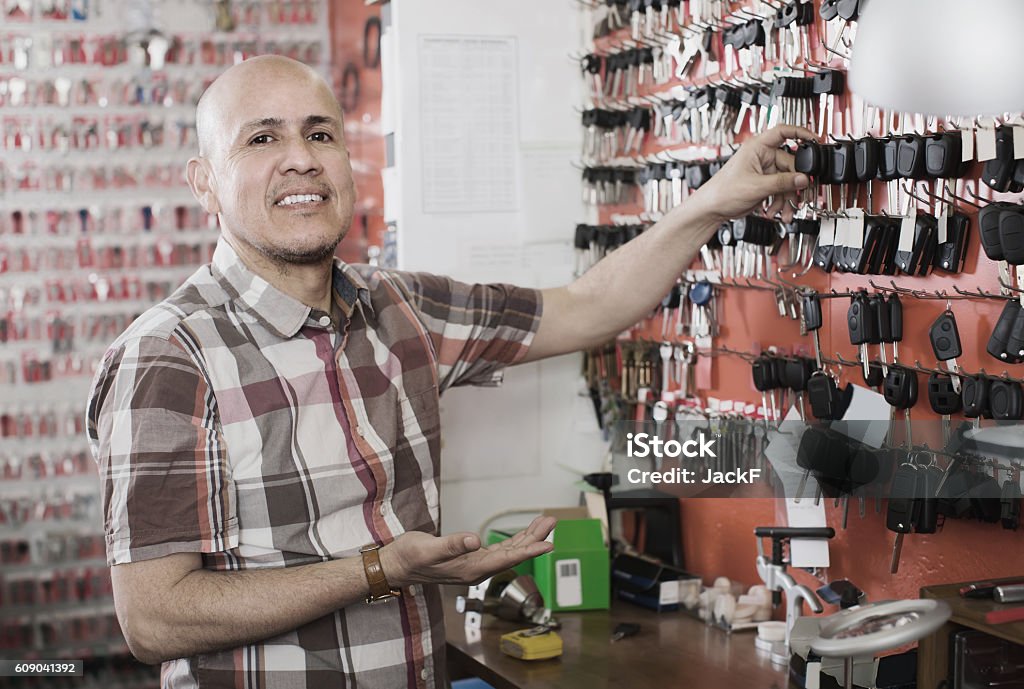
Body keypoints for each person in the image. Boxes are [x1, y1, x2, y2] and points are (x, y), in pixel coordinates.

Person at [85, 54, 814, 688]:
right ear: (204, 182)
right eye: (262, 138)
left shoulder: (399, 307)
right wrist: (381, 568)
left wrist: (719, 194)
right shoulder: (168, 357)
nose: (301, 158)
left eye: (319, 133)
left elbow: (590, 306)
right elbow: (154, 617)